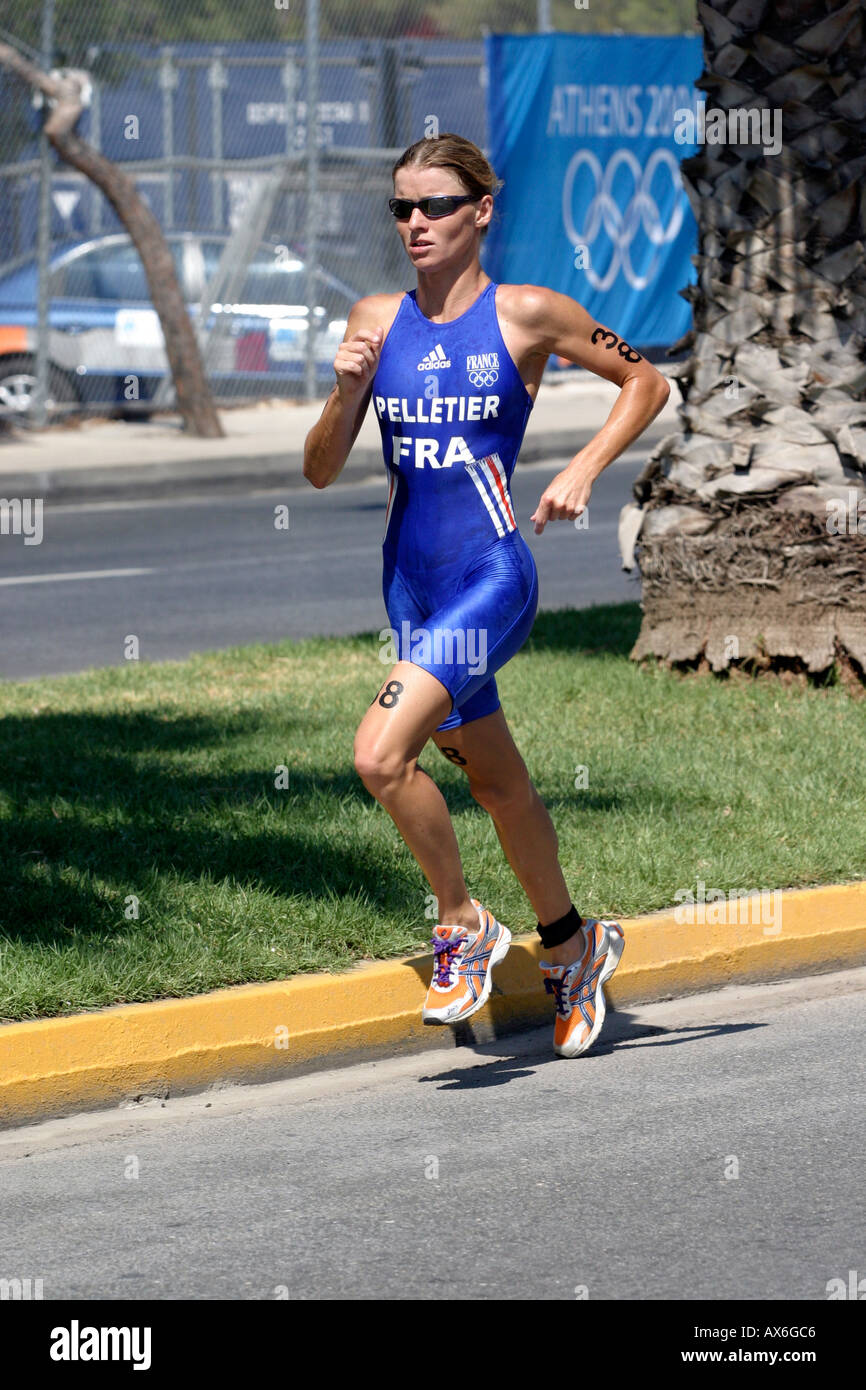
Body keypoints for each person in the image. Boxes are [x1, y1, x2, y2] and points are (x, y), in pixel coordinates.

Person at [303, 133, 669, 1058]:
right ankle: (575, 947)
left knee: (381, 756)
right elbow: (316, 473)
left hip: (491, 577)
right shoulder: (376, 318)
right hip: (411, 587)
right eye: (401, 208)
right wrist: (346, 395)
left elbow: (646, 378)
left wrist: (585, 466)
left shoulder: (529, 313)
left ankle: (462, 924)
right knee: (501, 787)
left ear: (481, 212)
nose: (414, 224)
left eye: (433, 206)